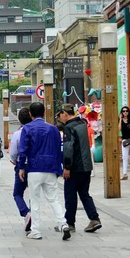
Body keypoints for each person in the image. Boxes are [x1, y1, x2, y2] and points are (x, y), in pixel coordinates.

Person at [18, 102, 70, 241]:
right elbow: (59, 149)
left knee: (34, 200)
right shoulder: (53, 129)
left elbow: (23, 150)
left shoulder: (27, 128)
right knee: (54, 199)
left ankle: (35, 230)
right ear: (44, 113)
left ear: (30, 114)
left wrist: (21, 167)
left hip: (34, 167)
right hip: (51, 167)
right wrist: (59, 167)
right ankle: (63, 224)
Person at [58, 104, 102, 234]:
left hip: (75, 167)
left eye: (60, 114)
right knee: (84, 194)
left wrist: (67, 167)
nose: (60, 117)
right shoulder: (82, 124)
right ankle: (94, 219)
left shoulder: (69, 128)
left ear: (65, 114)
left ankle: (70, 223)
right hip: (86, 166)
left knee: (70, 195)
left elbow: (68, 148)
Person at [9, 107, 32, 232]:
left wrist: (15, 161)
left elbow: (13, 152)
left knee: (17, 193)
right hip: (36, 165)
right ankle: (34, 215)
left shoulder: (18, 134)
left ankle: (26, 212)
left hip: (22, 165)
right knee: (34, 193)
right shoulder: (37, 131)